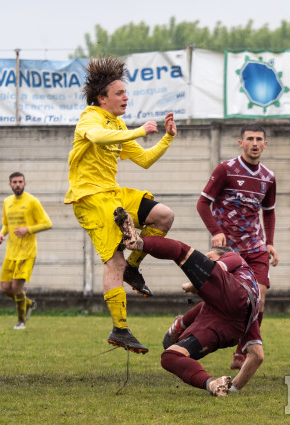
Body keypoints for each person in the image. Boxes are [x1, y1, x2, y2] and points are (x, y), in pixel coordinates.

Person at [64, 56, 177, 354]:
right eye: (119, 93)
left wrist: (166, 138)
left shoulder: (118, 124)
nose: (126, 97)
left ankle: (133, 267)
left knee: (164, 216)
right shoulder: (91, 117)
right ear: (102, 98)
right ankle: (120, 330)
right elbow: (98, 137)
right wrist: (139, 130)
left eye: (126, 93)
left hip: (114, 193)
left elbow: (144, 160)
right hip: (90, 199)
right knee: (112, 261)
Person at [113, 207, 263, 396]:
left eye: (208, 258)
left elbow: (216, 271)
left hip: (235, 297)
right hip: (230, 326)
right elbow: (257, 355)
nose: (204, 261)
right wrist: (235, 389)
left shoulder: (233, 257)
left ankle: (138, 242)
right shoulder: (243, 309)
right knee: (170, 357)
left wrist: (192, 285)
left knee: (182, 251)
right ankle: (212, 384)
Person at [196, 123, 278, 370]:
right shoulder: (225, 170)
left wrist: (270, 243)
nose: (255, 143)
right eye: (250, 139)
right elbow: (202, 204)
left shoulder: (268, 177)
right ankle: (184, 326)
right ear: (240, 143)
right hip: (228, 251)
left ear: (265, 144)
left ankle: (242, 351)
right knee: (220, 300)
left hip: (255, 249)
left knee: (259, 300)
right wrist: (216, 231)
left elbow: (269, 212)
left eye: (259, 139)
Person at [0, 172, 52, 330]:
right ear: (10, 185)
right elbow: (6, 224)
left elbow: (47, 223)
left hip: (27, 252)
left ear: (25, 184)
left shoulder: (32, 201)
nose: (17, 184)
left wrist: (27, 230)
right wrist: (2, 234)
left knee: (16, 288)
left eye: (20, 182)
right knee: (5, 288)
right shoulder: (7, 202)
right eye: (14, 182)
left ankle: (21, 321)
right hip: (11, 252)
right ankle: (28, 304)